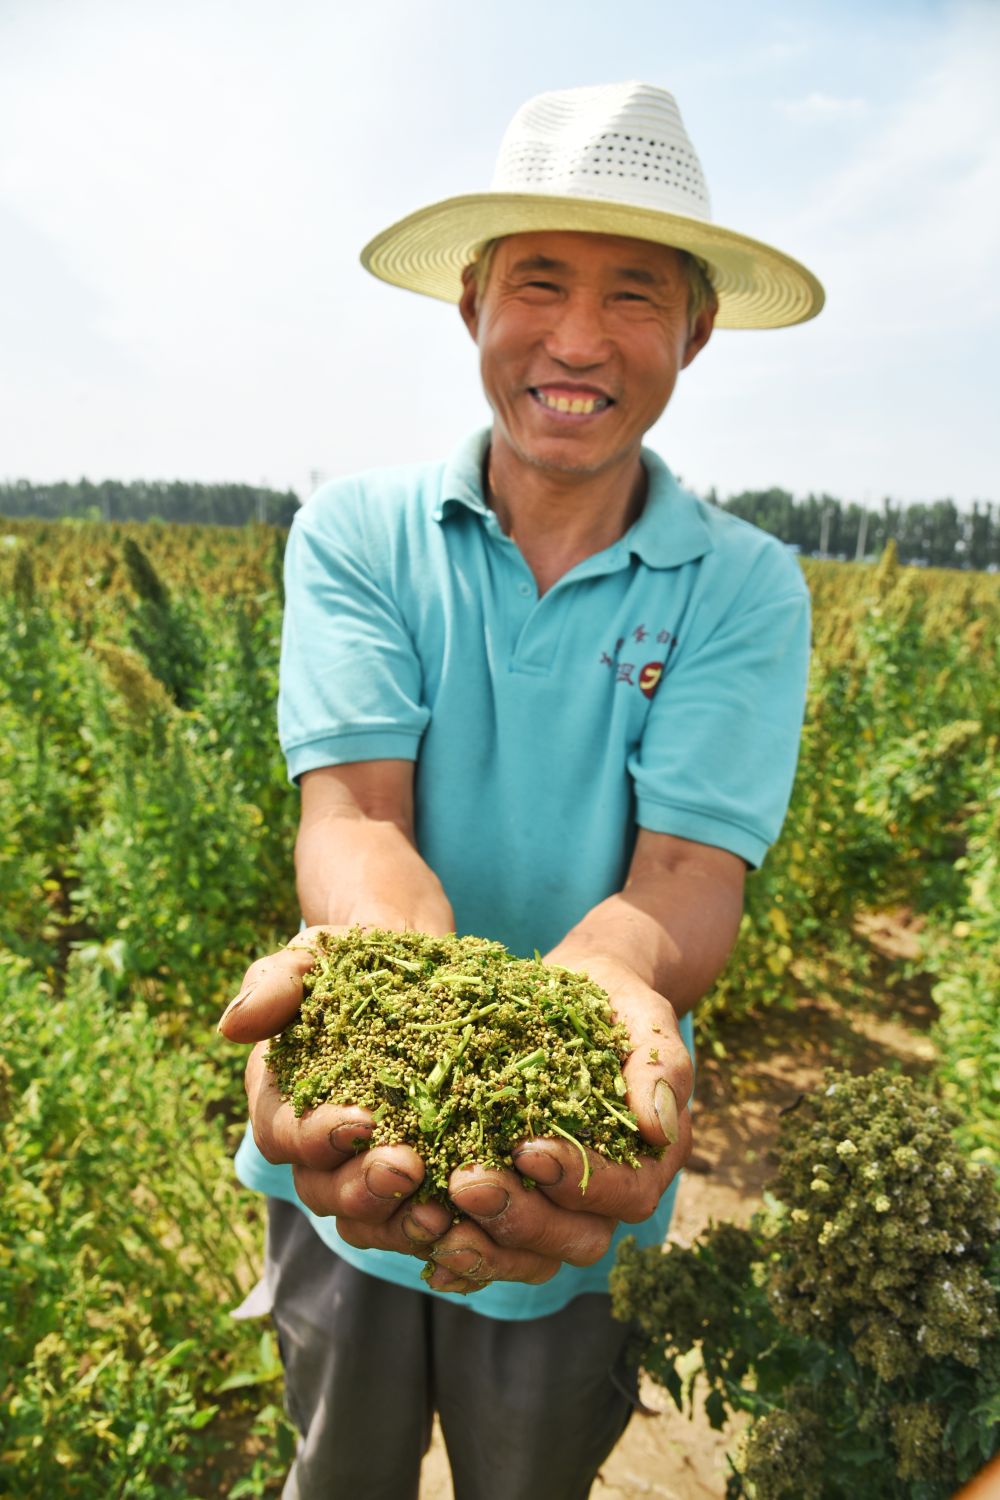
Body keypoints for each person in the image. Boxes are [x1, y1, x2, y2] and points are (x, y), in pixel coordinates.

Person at [219, 80, 823, 1500]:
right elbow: (358, 815)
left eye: (634, 295)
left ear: (697, 327)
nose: (576, 338)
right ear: (472, 303)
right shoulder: (359, 533)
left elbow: (685, 873)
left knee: (530, 1475)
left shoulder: (743, 587)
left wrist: (600, 991)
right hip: (353, 1134)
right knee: (341, 1463)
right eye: (538, 284)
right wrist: (381, 987)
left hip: (585, 1155)